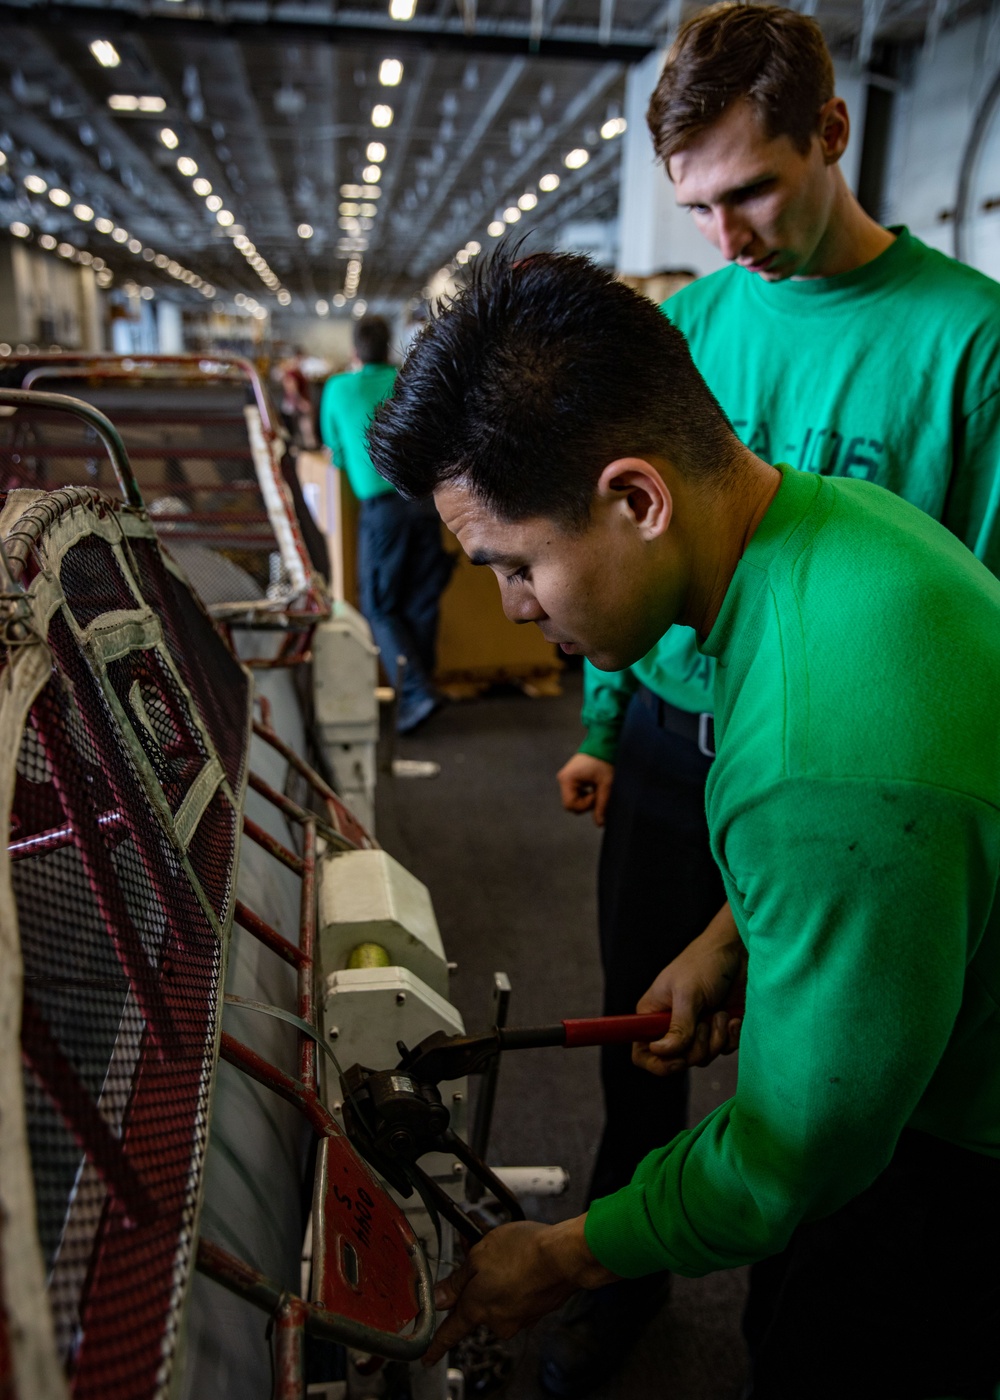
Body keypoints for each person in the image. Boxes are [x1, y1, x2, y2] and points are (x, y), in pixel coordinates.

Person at [368, 247, 1000, 1400]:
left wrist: (564, 1253)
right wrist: (729, 938)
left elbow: (790, 1156)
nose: (511, 608)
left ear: (635, 497)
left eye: (516, 567)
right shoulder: (834, 521)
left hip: (962, 1151)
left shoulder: (816, 756)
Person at [553, 5, 1000, 1390]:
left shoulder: (967, 338)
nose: (728, 234)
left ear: (834, 134)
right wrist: (601, 728)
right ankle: (619, 1279)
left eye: (751, 188)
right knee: (646, 1023)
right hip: (686, 755)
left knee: (832, 1081)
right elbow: (614, 541)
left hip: (854, 764)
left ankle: (802, 1309)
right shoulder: (690, 328)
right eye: (697, 206)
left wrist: (748, 913)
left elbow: (972, 604)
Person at [320, 314, 452, 733]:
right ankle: (423, 684)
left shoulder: (339, 387)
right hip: (428, 502)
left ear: (356, 350)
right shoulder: (409, 378)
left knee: (380, 606)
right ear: (390, 343)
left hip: (383, 513)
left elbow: (336, 453)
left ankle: (416, 693)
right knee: (420, 599)